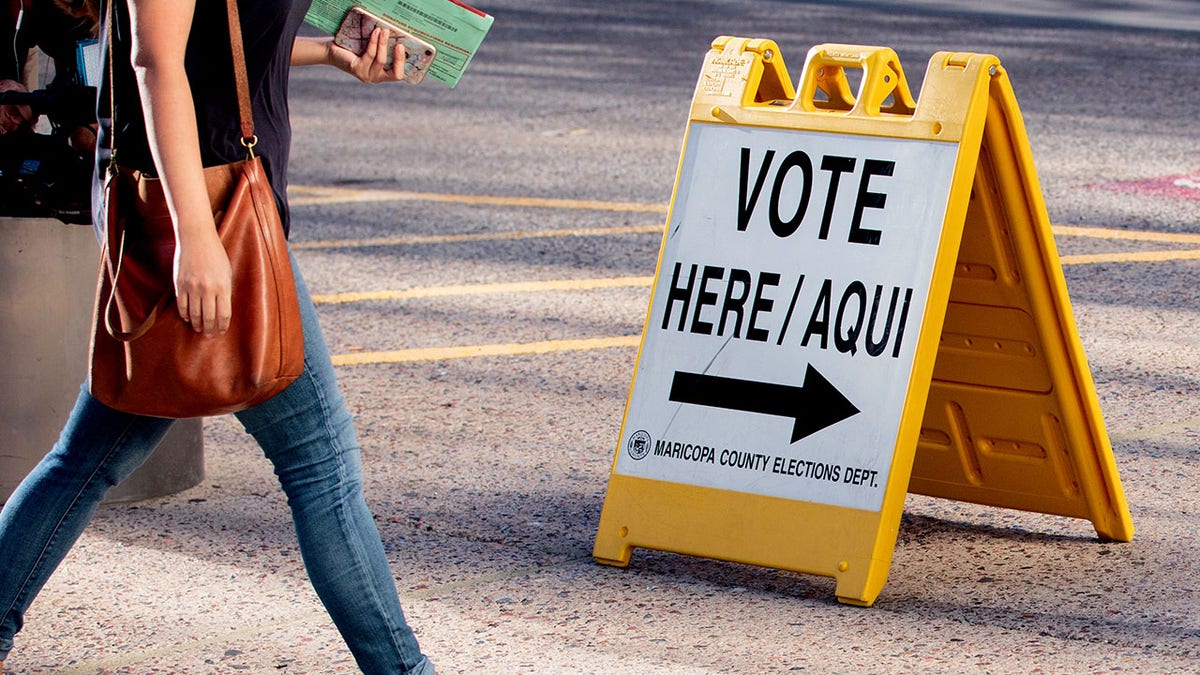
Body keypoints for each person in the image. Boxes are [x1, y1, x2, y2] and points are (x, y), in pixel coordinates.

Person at [0, 1, 435, 673]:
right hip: (208, 217)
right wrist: (196, 239)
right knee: (320, 466)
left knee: (86, 458)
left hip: (219, 208)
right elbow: (154, 61)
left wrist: (329, 52)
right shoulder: (199, 229)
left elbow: (223, 44)